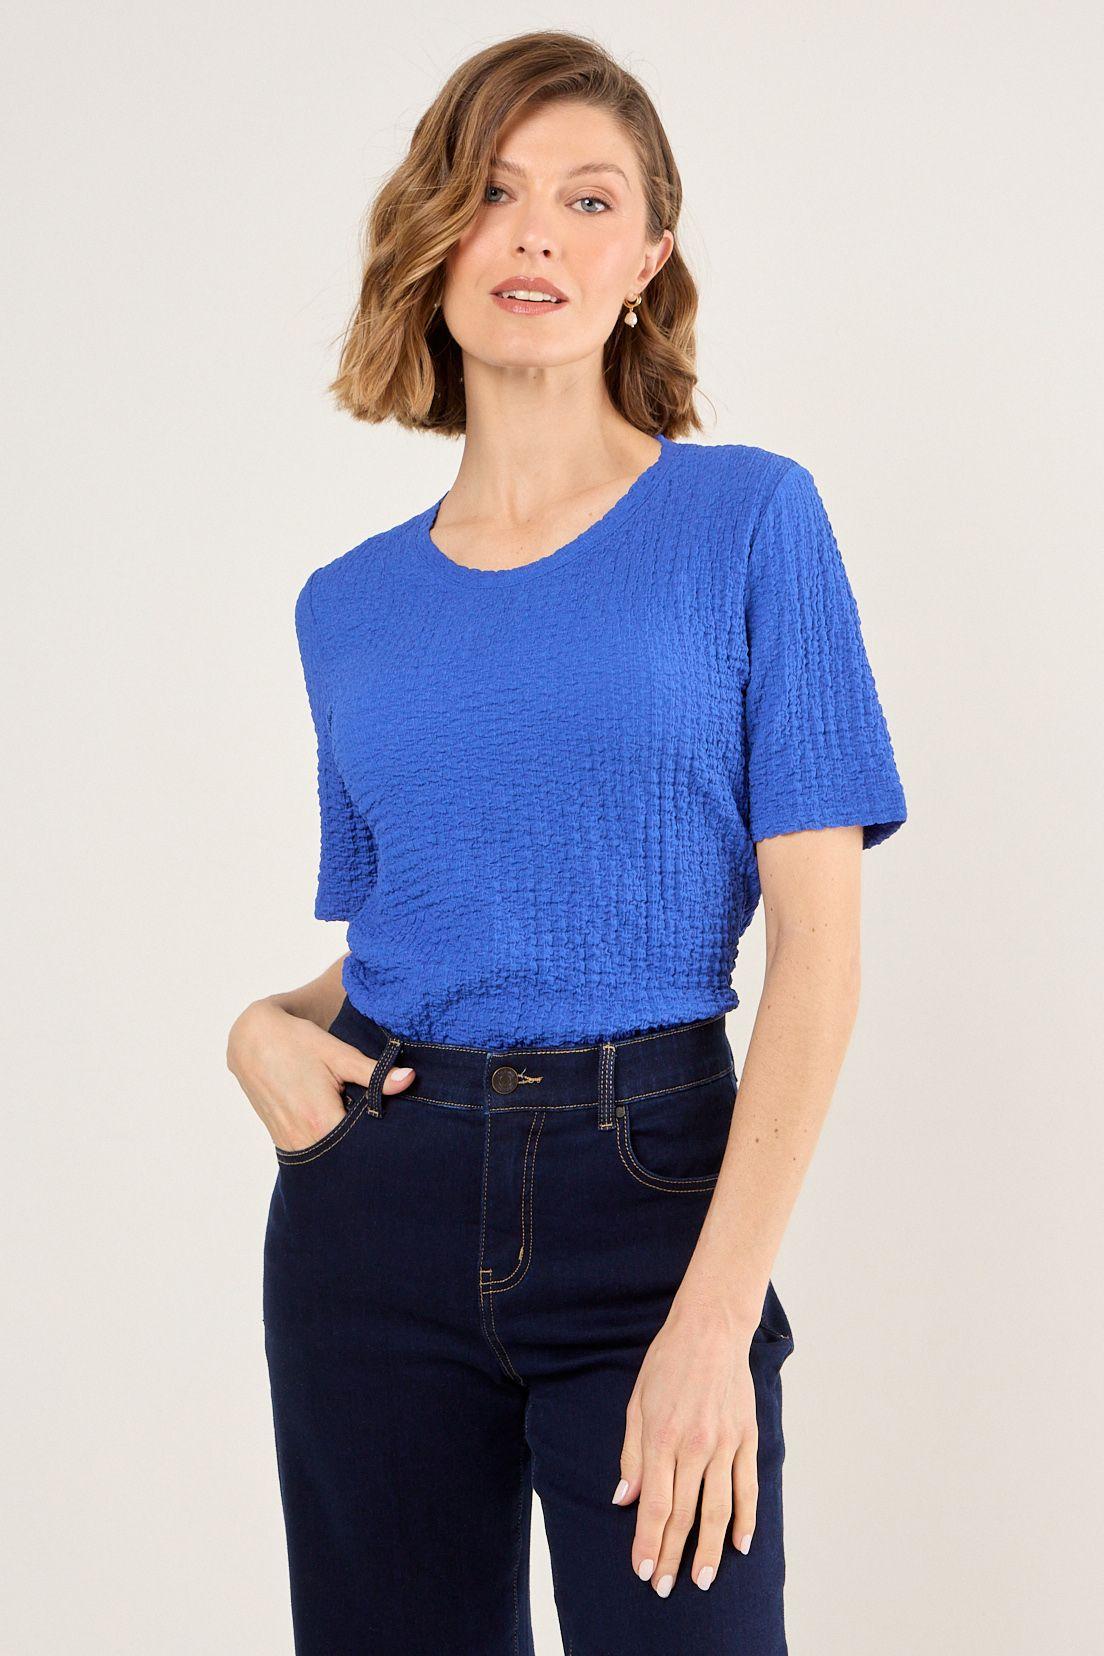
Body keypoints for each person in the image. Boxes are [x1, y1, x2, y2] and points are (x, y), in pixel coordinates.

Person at [226, 29, 908, 1656]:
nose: (533, 234)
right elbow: (421, 934)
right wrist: (262, 1026)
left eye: (588, 200)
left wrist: (715, 1324)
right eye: (492, 192)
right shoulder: (347, 606)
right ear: (433, 237)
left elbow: (819, 952)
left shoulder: (750, 521)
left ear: (647, 260)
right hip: (372, 1225)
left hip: (655, 1203)